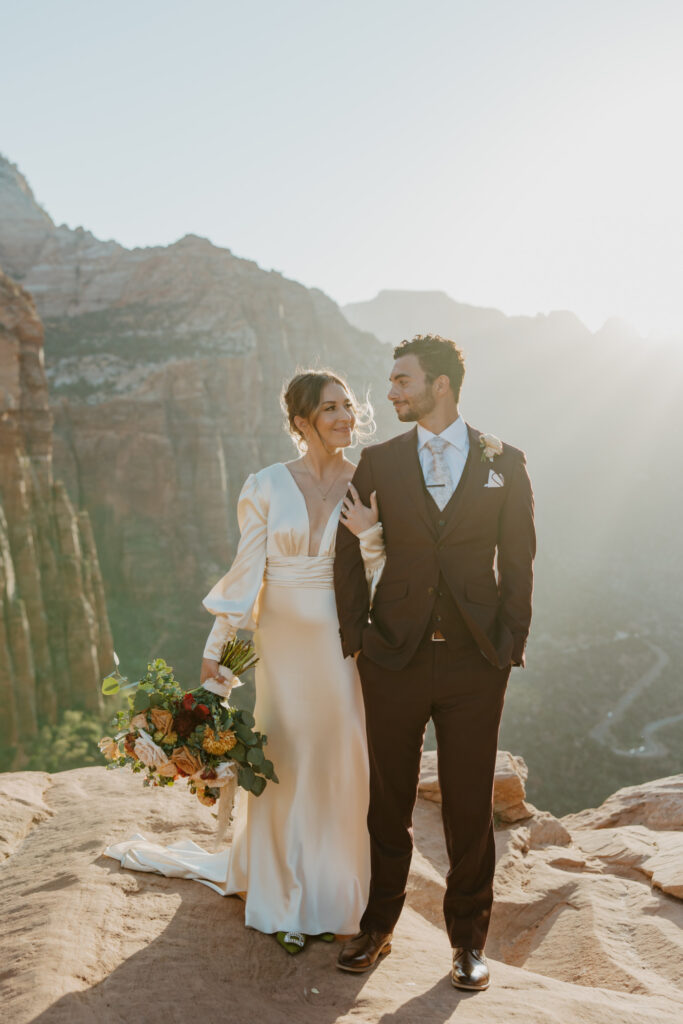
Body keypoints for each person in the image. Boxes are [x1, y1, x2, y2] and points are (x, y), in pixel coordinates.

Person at [106, 369, 384, 953]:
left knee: (340, 752)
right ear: (302, 422)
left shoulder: (369, 485)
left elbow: (386, 577)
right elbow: (245, 574)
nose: (345, 417)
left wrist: (373, 536)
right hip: (282, 640)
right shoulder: (265, 485)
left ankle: (337, 895)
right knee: (282, 752)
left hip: (342, 642)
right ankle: (281, 892)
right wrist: (216, 651)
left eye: (348, 406)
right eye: (330, 409)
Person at [334, 334, 536, 990]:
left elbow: (519, 561)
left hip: (477, 664)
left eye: (400, 380)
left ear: (439, 384)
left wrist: (509, 645)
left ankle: (467, 945)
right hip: (391, 658)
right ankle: (379, 927)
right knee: (387, 797)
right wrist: (356, 638)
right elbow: (345, 555)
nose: (389, 391)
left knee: (469, 805)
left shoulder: (504, 460)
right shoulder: (379, 461)